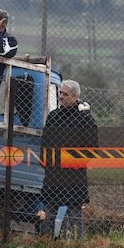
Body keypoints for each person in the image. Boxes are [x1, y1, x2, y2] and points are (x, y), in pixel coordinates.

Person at [40, 80, 98, 239]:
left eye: (65, 94)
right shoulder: (54, 117)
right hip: (53, 175)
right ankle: (46, 245)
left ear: (75, 96)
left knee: (74, 215)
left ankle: (76, 247)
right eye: (60, 93)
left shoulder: (85, 120)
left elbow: (92, 147)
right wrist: (46, 163)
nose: (61, 97)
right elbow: (44, 143)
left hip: (74, 176)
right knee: (48, 215)